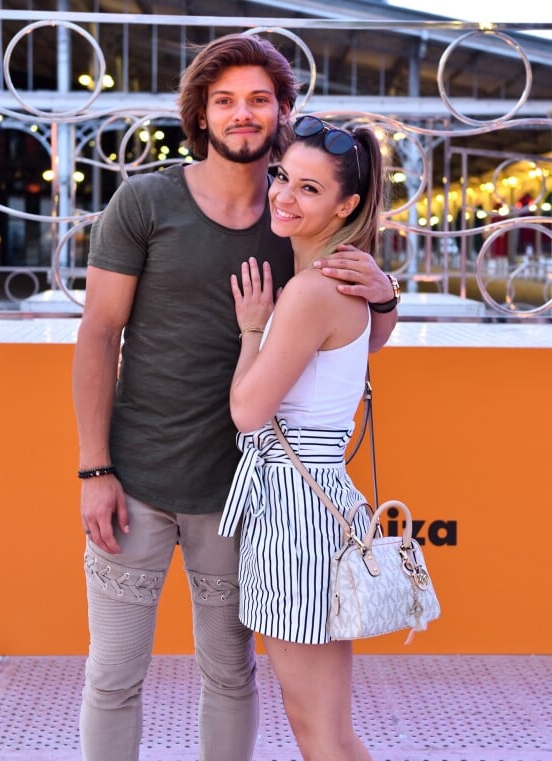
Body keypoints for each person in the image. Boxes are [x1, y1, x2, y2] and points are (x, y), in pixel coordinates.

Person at [72, 34, 397, 761]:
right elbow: (98, 335)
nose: (242, 114)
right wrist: (95, 468)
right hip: (137, 481)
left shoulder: (298, 221)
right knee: (114, 673)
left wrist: (388, 295)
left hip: (244, 497)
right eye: (225, 101)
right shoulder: (147, 201)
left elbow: (358, 338)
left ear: (283, 112)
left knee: (230, 673)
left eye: (258, 100)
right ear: (201, 113)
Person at [218, 116, 387, 761]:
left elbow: (247, 413)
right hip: (311, 505)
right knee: (326, 725)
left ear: (345, 205)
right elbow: (369, 343)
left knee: (318, 728)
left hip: (295, 512)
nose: (284, 195)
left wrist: (252, 329)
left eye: (309, 189)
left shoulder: (312, 291)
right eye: (283, 176)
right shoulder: (340, 280)